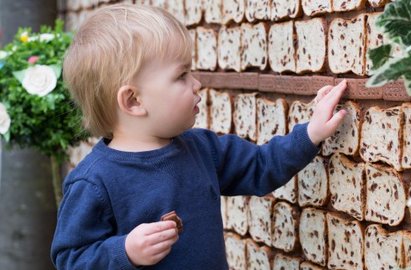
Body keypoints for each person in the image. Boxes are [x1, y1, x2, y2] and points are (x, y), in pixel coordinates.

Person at [50, 4, 348, 270]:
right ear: (134, 101)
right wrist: (124, 251)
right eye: (181, 76)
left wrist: (310, 133)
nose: (197, 83)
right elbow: (70, 257)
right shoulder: (94, 182)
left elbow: (261, 165)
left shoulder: (203, 148)